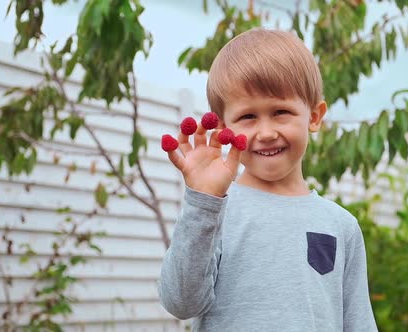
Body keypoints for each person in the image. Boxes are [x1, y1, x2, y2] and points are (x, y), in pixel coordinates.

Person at [158, 28, 378, 331]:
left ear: (314, 116)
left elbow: (358, 323)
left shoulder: (341, 226)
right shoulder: (213, 212)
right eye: (248, 117)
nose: (265, 133)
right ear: (224, 127)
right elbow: (180, 303)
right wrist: (203, 202)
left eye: (281, 112)